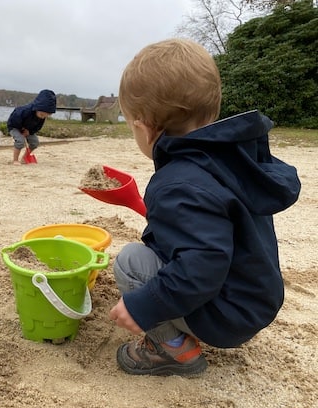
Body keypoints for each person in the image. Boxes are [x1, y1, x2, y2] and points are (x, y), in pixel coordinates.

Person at [108, 39, 301, 376]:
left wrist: (144, 305)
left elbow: (204, 264)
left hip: (228, 316)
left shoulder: (177, 183)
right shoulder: (232, 159)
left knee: (130, 263)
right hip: (254, 300)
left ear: (144, 127)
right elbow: (214, 230)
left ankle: (172, 351)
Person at [7, 89, 56, 165]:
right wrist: (21, 129)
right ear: (37, 108)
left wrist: (29, 132)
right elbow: (14, 119)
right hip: (15, 127)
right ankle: (15, 160)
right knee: (20, 141)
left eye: (46, 116)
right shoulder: (25, 110)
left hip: (28, 129)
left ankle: (24, 158)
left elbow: (38, 127)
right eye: (41, 115)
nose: (42, 117)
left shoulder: (42, 117)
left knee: (35, 143)